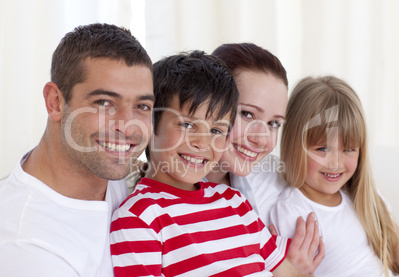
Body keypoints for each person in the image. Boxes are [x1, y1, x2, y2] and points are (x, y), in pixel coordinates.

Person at [110, 51, 313, 277]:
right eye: (187, 125)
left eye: (216, 130)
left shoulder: (236, 202)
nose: (202, 143)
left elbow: (291, 273)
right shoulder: (139, 218)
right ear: (150, 124)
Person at [0, 23, 155, 277]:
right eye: (104, 103)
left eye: (142, 106)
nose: (128, 129)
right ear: (55, 102)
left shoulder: (114, 169)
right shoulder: (27, 248)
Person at [206, 43, 324, 273]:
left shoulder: (270, 181)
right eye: (247, 114)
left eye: (273, 124)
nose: (261, 139)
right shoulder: (163, 201)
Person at [269, 75, 399, 277]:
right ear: (294, 146)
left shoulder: (363, 195)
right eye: (322, 149)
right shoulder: (294, 212)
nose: (336, 164)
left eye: (348, 149)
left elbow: (396, 245)